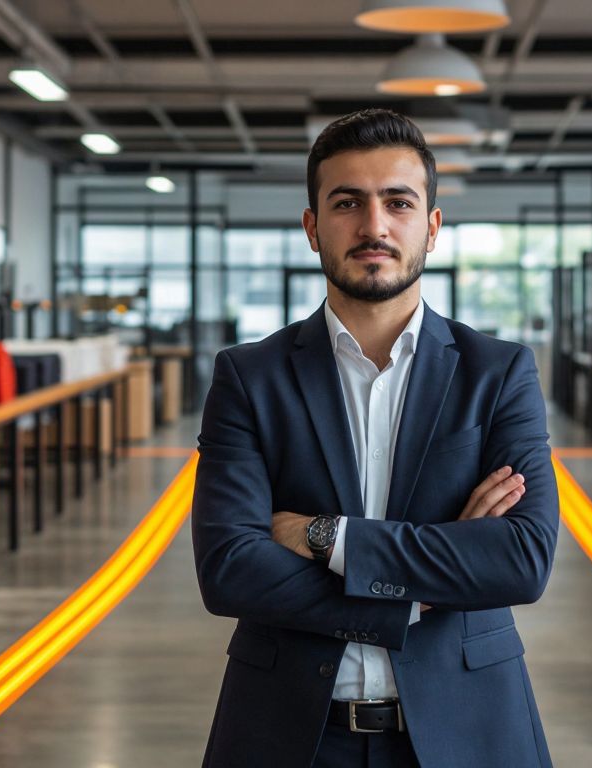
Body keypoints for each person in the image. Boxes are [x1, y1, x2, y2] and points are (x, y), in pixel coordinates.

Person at [192, 109, 558, 768]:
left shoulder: (498, 373)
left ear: (432, 226)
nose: (374, 226)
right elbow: (229, 571)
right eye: (347, 203)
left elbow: (521, 559)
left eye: (398, 202)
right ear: (312, 227)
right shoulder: (249, 378)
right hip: (287, 734)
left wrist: (324, 536)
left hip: (469, 729)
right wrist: (427, 583)